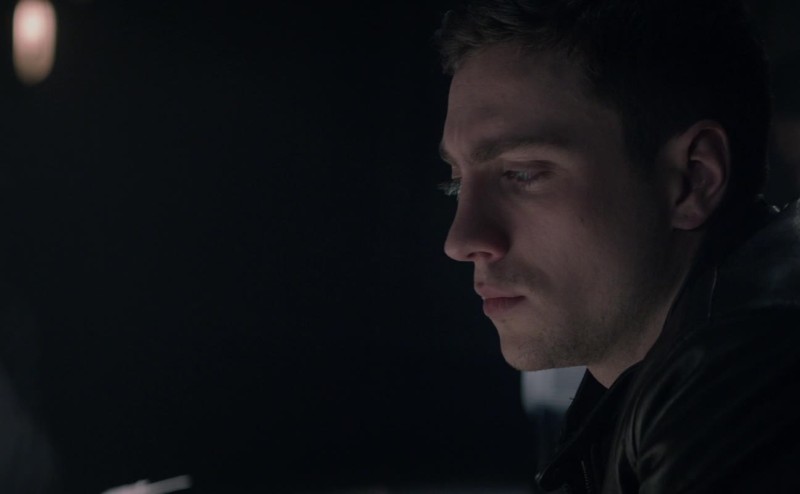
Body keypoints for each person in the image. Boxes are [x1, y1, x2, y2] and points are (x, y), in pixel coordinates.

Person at [434, 0, 800, 492]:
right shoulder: (663, 386)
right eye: (456, 184)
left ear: (693, 179)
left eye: (522, 174)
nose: (461, 241)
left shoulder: (754, 376)